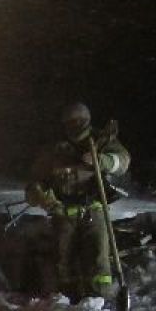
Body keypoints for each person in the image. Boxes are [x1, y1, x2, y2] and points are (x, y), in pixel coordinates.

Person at [27, 101, 130, 300]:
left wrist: (102, 160)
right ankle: (66, 303)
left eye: (81, 121)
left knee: (99, 262)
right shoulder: (54, 150)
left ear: (88, 120)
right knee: (63, 263)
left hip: (94, 211)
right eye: (71, 122)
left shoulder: (100, 141)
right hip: (63, 213)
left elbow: (123, 161)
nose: (76, 125)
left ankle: (99, 303)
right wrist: (45, 198)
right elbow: (34, 184)